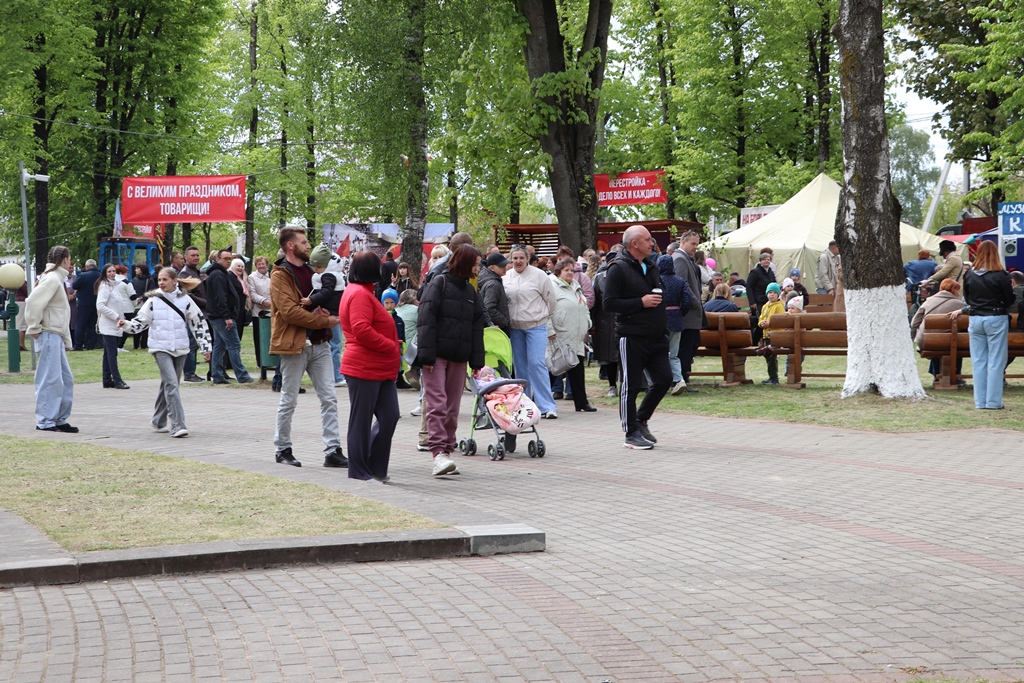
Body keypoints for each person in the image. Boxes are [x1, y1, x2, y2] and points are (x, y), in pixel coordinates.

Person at [271, 226, 346, 468]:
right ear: (290, 245)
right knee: (289, 400)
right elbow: (290, 312)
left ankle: (333, 450)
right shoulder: (280, 275)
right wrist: (324, 320)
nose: (308, 246)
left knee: (329, 398)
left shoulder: (314, 272)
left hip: (320, 343)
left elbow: (323, 298)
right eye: (303, 242)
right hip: (295, 345)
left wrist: (325, 310)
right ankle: (282, 449)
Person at [120, 268, 213, 437]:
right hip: (160, 347)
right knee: (171, 384)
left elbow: (198, 323)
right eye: (159, 280)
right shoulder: (153, 300)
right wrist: (126, 325)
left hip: (180, 347)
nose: (161, 283)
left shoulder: (185, 299)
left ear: (174, 281)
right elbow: (141, 321)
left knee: (169, 385)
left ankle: (158, 420)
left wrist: (206, 347)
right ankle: (178, 425)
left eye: (165, 279)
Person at [417, 244, 485, 476]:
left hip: (459, 357)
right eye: (476, 264)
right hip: (435, 356)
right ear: (465, 263)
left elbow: (477, 328)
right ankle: (438, 453)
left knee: (452, 408)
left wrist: (477, 362)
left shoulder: (471, 292)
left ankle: (446, 450)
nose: (478, 268)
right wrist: (426, 355)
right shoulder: (439, 283)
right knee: (437, 404)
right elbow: (426, 319)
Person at [605, 225, 671, 450]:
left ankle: (641, 419)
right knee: (630, 386)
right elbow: (609, 303)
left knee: (664, 380)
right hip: (632, 336)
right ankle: (630, 433)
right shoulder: (618, 268)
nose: (652, 243)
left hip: (657, 336)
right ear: (635, 243)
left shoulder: (651, 265)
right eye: (648, 240)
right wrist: (640, 302)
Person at [339, 251, 401, 483]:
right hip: (364, 367)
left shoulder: (364, 292)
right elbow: (361, 329)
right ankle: (359, 471)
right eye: (379, 265)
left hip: (380, 368)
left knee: (390, 416)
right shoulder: (359, 294)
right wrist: (390, 345)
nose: (382, 269)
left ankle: (375, 467)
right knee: (361, 421)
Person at [949, 240, 1014, 409]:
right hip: (996, 317)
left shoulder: (970, 274)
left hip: (975, 318)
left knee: (978, 361)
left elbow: (967, 298)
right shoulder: (1001, 274)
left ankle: (980, 401)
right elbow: (1009, 299)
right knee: (996, 361)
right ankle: (993, 401)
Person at [25, 246, 78, 432]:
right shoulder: (52, 278)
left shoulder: (55, 278)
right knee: (50, 378)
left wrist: (66, 340)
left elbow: (60, 312)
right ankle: (46, 420)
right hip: (49, 333)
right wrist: (34, 327)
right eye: (69, 259)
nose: (70, 263)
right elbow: (33, 302)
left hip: (55, 335)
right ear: (65, 259)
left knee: (65, 379)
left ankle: (59, 418)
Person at [503, 245, 559, 418]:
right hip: (515, 327)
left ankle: (547, 406)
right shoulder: (506, 277)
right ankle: (524, 404)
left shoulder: (540, 275)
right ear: (511, 259)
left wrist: (545, 316)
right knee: (519, 366)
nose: (518, 261)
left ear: (528, 259)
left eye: (521, 258)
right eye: (515, 258)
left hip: (536, 326)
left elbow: (551, 300)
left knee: (536, 363)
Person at [548, 257, 597, 412]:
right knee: (556, 369)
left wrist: (588, 322)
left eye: (572, 270)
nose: (570, 273)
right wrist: (549, 330)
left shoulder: (576, 286)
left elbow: (584, 306)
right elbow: (546, 310)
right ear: (558, 271)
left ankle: (581, 402)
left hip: (577, 335)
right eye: (566, 270)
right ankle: (541, 400)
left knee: (577, 370)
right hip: (560, 334)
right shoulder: (552, 286)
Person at [204, 249, 253, 384]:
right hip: (222, 317)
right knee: (234, 345)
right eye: (225, 258)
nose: (228, 261)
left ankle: (217, 375)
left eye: (230, 258)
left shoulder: (219, 273)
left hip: (218, 316)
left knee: (219, 346)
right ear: (217, 259)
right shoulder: (218, 275)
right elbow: (221, 298)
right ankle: (242, 375)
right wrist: (227, 317)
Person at [304, 244, 347, 387]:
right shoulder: (330, 273)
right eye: (313, 266)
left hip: (331, 312)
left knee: (335, 345)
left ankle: (336, 375)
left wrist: (311, 300)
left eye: (318, 267)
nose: (315, 269)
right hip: (330, 311)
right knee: (335, 344)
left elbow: (326, 292)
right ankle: (335, 375)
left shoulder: (328, 276)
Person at [911, 278, 964, 382]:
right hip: (948, 342)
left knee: (936, 341)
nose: (958, 294)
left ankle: (937, 375)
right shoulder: (958, 304)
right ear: (952, 289)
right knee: (953, 342)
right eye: (957, 290)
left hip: (925, 341)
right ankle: (956, 375)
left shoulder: (928, 301)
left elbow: (914, 323)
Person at [670, 230, 704, 393]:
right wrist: (695, 302)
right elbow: (682, 285)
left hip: (690, 314)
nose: (695, 247)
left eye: (697, 244)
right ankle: (680, 379)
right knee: (684, 349)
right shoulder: (680, 259)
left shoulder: (685, 259)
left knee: (690, 346)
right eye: (693, 243)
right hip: (687, 314)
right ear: (683, 241)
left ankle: (682, 378)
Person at [657, 253, 693, 396]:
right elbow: (688, 301)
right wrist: (679, 312)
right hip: (676, 318)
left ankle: (659, 381)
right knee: (674, 353)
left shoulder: (656, 281)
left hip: (659, 319)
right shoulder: (680, 281)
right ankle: (679, 379)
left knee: (658, 353)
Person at [94, 264, 130, 389]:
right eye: (109, 271)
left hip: (115, 324)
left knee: (107, 353)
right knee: (112, 353)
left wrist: (121, 317)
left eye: (113, 271)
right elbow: (100, 306)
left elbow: (117, 304)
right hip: (108, 325)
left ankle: (107, 379)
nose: (112, 273)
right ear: (105, 273)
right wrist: (116, 316)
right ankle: (117, 380)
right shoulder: (105, 286)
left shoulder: (114, 286)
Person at [591, 251, 621, 397]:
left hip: (623, 321)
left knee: (624, 355)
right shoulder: (599, 278)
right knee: (609, 357)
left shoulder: (626, 277)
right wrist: (593, 324)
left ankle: (626, 384)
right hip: (604, 323)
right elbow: (594, 303)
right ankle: (612, 385)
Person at [180, 246, 208, 383]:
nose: (196, 257)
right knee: (191, 343)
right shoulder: (185, 274)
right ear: (185, 257)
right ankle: (189, 373)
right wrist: (205, 302)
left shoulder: (196, 272)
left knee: (196, 343)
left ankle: (191, 372)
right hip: (192, 312)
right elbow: (188, 295)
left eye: (197, 255)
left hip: (200, 311)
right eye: (192, 255)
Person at [757, 282, 786, 385]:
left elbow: (781, 321)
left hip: (775, 336)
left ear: (778, 294)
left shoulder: (779, 306)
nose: (772, 294)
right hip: (766, 335)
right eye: (770, 292)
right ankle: (772, 377)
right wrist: (761, 323)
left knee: (772, 358)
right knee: (768, 357)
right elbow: (760, 318)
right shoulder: (765, 306)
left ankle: (774, 378)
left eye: (774, 292)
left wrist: (770, 324)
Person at [478, 251, 511, 337]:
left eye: (505, 265)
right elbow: (489, 308)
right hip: (497, 329)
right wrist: (504, 322)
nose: (504, 268)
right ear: (492, 268)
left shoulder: (489, 279)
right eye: (501, 266)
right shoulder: (493, 284)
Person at [248, 255, 273, 367]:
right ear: (256, 266)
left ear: (266, 265)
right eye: (259, 264)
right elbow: (252, 293)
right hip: (258, 312)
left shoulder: (272, 276)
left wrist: (271, 303)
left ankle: (272, 361)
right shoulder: (252, 277)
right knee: (260, 338)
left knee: (271, 337)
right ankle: (261, 362)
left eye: (263, 264)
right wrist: (263, 301)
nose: (261, 266)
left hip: (272, 310)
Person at [72, 259, 101, 350]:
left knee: (80, 325)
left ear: (87, 266)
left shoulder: (83, 275)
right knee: (92, 325)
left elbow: (75, 286)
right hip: (96, 303)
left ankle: (78, 345)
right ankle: (90, 345)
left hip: (83, 303)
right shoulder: (100, 276)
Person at [396, 289, 421, 392]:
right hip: (412, 349)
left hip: (399, 345)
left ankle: (400, 377)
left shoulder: (397, 310)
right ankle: (415, 372)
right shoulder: (416, 310)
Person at [130, 264, 158, 350]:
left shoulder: (149, 280)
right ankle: (136, 344)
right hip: (136, 303)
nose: (136, 270)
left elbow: (151, 291)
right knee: (136, 322)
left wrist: (142, 297)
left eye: (137, 268)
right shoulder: (135, 279)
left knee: (145, 323)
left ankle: (143, 343)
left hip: (145, 303)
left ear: (142, 270)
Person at [229, 258, 251, 342]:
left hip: (240, 311)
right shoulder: (230, 276)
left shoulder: (239, 278)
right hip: (234, 312)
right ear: (233, 266)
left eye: (242, 267)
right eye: (238, 266)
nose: (240, 268)